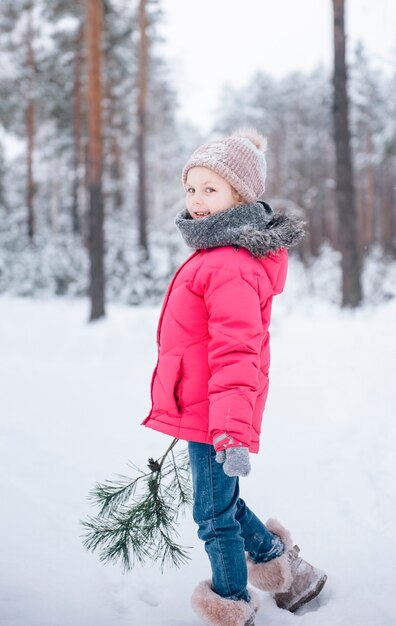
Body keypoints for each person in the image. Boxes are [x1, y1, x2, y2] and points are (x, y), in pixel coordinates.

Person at [142, 129, 327, 626]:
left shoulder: (228, 264)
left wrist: (229, 430)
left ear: (240, 196)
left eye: (210, 189)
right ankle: (295, 574)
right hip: (202, 406)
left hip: (214, 412)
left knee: (213, 516)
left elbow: (238, 352)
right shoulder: (214, 254)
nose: (197, 201)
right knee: (219, 503)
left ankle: (231, 607)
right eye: (191, 188)